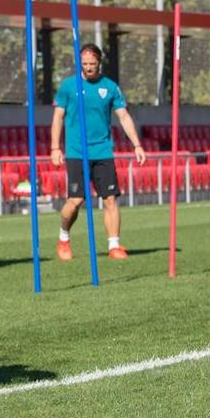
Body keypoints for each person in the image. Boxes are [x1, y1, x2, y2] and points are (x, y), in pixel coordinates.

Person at [50, 43, 147, 260]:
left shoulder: (110, 87)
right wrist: (55, 147)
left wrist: (137, 144)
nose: (88, 68)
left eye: (92, 64)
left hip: (103, 151)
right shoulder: (68, 86)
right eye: (84, 64)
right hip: (76, 152)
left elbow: (123, 116)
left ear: (99, 63)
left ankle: (114, 246)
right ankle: (63, 238)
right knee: (75, 201)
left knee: (110, 199)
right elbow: (58, 117)